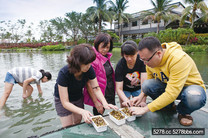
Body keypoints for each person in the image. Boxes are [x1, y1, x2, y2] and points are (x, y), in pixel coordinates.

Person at [130, 36, 206, 126]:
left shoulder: (178, 59)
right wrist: (141, 96)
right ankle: (169, 107)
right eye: (142, 59)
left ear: (158, 53)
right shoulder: (150, 60)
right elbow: (149, 81)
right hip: (169, 86)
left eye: (146, 60)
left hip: (189, 88)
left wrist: (145, 109)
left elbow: (171, 93)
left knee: (194, 97)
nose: (144, 63)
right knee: (147, 85)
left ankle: (183, 112)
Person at [54, 44, 118, 128]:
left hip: (77, 96)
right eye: (86, 63)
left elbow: (96, 88)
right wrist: (82, 111)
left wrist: (104, 103)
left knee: (77, 121)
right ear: (77, 62)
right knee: (67, 126)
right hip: (62, 99)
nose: (89, 66)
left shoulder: (89, 69)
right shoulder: (64, 73)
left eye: (90, 63)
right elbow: (65, 102)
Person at [83, 33, 116, 115]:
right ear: (97, 45)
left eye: (107, 47)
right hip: (98, 95)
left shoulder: (106, 57)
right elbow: (88, 83)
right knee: (99, 116)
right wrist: (96, 102)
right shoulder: (93, 59)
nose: (105, 50)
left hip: (108, 92)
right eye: (103, 47)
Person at [115, 40, 147, 108]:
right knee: (125, 107)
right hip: (125, 89)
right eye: (126, 56)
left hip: (138, 88)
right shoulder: (120, 65)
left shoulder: (142, 62)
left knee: (139, 106)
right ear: (123, 55)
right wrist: (126, 100)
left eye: (132, 56)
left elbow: (144, 83)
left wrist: (143, 100)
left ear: (137, 53)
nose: (129, 59)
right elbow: (119, 88)